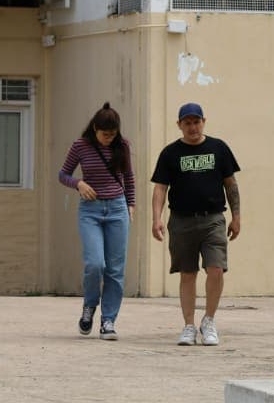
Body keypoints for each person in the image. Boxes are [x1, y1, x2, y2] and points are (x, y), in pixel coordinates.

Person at [150, 102, 241, 347]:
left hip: (213, 219)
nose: (192, 127)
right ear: (179, 125)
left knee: (216, 269)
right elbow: (160, 187)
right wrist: (156, 218)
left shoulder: (218, 148)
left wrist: (237, 216)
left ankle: (209, 321)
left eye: (196, 121)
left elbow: (230, 184)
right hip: (181, 220)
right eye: (187, 122)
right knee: (188, 273)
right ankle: (189, 326)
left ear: (204, 121)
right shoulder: (170, 153)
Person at [58, 102, 135, 340]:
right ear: (94, 128)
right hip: (90, 211)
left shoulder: (122, 146)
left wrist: (130, 205)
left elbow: (128, 178)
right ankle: (90, 305)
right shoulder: (80, 146)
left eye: (112, 135)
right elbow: (63, 175)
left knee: (115, 270)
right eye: (104, 134)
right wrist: (79, 184)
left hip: (117, 208)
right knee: (95, 264)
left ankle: (109, 321)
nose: (108, 139)